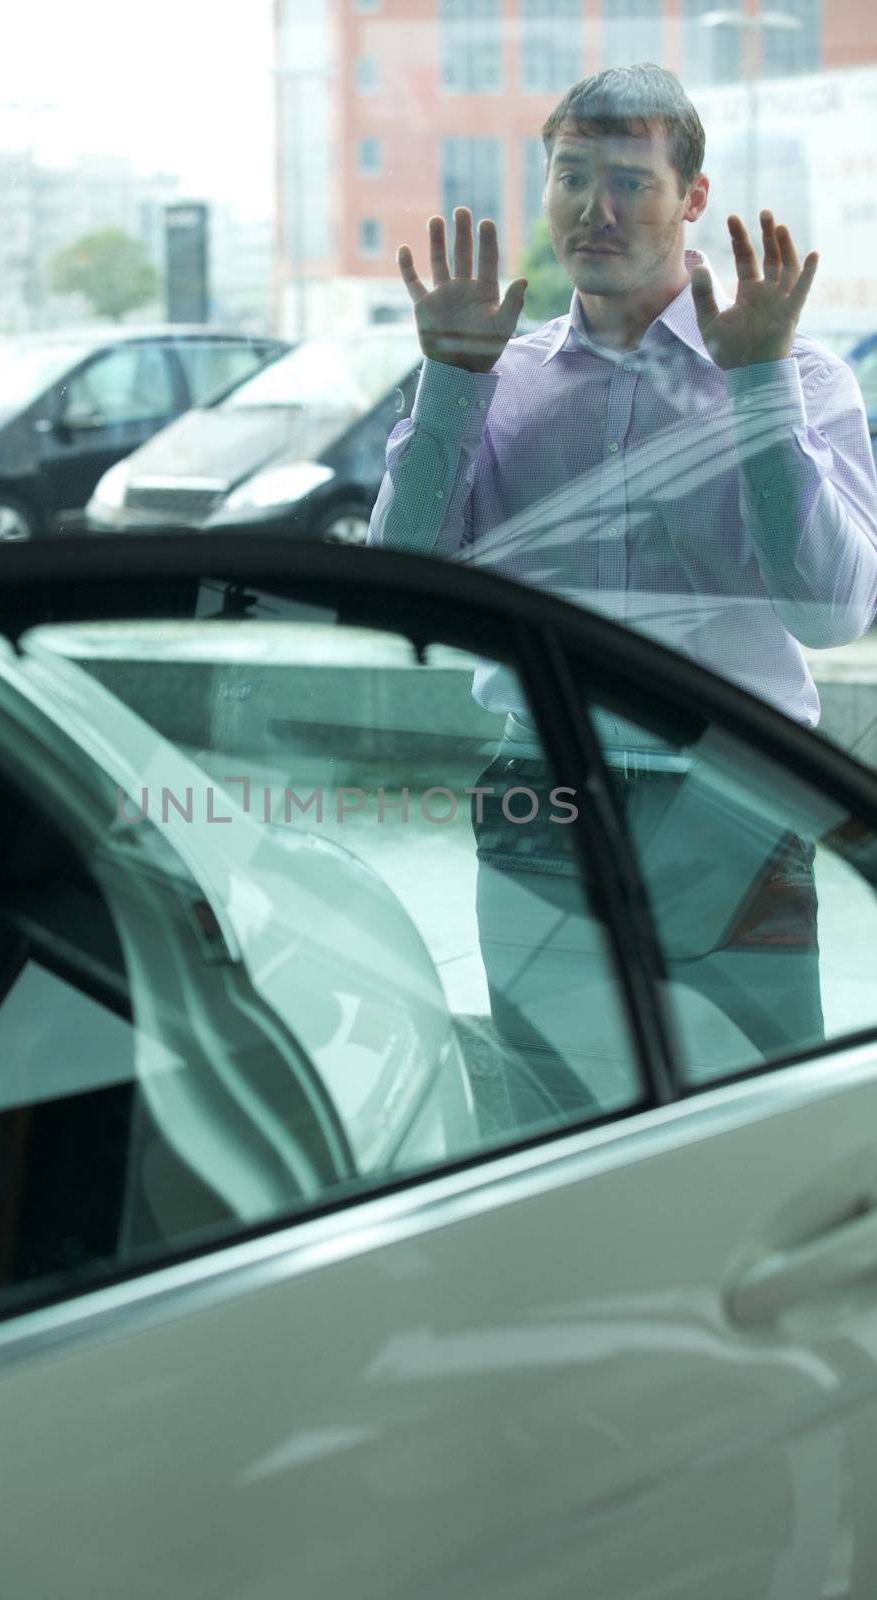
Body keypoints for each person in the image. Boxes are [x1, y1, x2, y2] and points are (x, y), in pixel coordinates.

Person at [368, 63, 877, 1126]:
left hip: (731, 799)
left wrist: (756, 386)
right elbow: (400, 586)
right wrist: (450, 379)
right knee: (547, 1113)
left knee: (755, 1110)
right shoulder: (496, 377)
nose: (594, 211)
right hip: (536, 792)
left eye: (631, 182)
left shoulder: (802, 377)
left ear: (692, 197)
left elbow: (830, 615)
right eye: (570, 176)